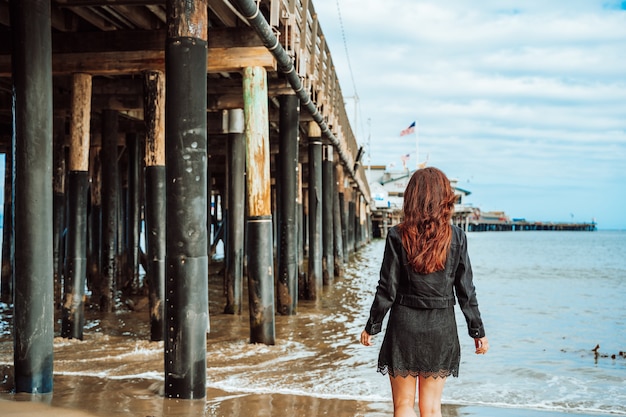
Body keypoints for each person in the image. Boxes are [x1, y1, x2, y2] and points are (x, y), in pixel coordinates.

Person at [360, 167, 489, 417]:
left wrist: (372, 325)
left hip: (404, 325)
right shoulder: (458, 237)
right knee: (431, 409)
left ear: (412, 197)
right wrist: (478, 331)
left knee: (403, 405)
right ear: (445, 198)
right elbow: (466, 290)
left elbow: (387, 288)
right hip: (441, 327)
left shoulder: (397, 234)